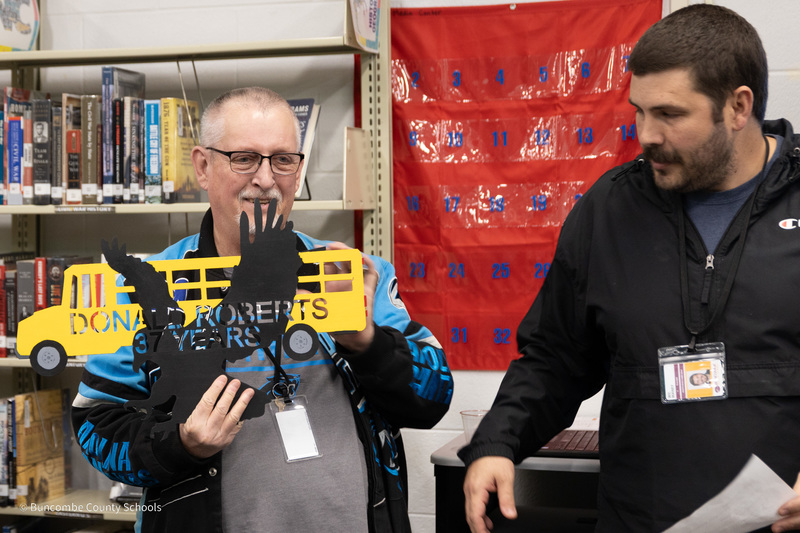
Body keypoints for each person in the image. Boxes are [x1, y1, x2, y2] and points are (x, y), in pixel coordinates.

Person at [459, 5, 800, 533]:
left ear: (738, 106)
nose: (645, 134)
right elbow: (555, 358)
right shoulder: (610, 209)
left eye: (669, 114)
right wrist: (498, 442)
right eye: (638, 111)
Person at [72, 87, 453, 532]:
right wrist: (180, 445)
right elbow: (93, 422)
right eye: (244, 158)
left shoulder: (349, 275)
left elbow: (434, 397)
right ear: (202, 166)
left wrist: (368, 344)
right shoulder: (151, 286)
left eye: (282, 160)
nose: (266, 179)